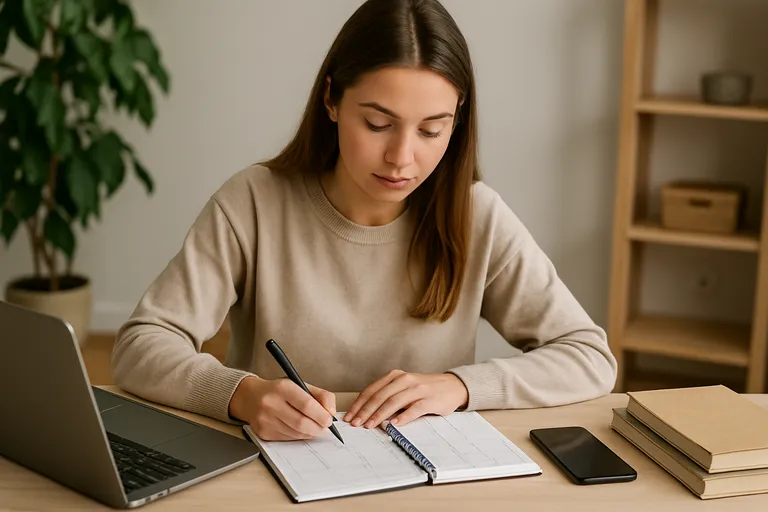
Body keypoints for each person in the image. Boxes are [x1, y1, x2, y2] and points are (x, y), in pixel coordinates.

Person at [113, 0, 617, 442]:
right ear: (331, 100)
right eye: (378, 124)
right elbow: (141, 346)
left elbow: (589, 357)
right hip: (280, 469)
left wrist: (460, 386)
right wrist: (241, 394)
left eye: (431, 130)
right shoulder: (253, 201)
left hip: (430, 480)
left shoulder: (475, 213)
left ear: (457, 121)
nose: (402, 157)